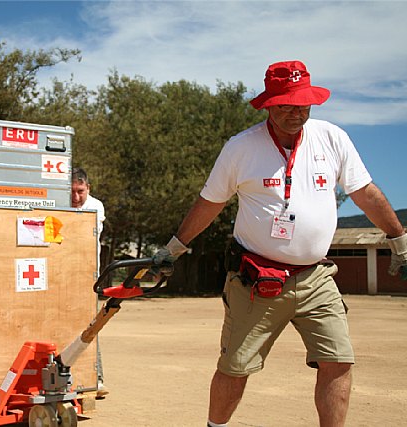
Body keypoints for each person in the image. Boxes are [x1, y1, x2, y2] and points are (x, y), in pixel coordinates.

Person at [153, 60, 407, 427]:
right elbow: (210, 203)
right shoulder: (241, 148)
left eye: (302, 102)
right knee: (235, 368)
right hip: (257, 279)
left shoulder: (331, 138)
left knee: (338, 361)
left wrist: (399, 239)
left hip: (316, 277)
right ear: (268, 105)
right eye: (286, 104)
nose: (296, 112)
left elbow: (365, 193)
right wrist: (174, 248)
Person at [71, 167, 108, 397]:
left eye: (80, 192)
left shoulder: (95, 207)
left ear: (88, 189)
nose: (76, 198)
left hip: (86, 274)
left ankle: (98, 377)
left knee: (91, 324)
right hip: (62, 275)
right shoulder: (61, 203)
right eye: (72, 191)